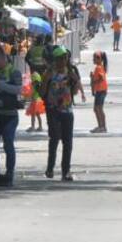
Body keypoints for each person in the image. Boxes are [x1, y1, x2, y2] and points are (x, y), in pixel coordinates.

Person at [39, 46, 84, 181]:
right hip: (53, 110)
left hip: (67, 110)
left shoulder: (71, 71)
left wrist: (75, 81)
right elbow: (41, 93)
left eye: (65, 58)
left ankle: (66, 171)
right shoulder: (49, 73)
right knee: (54, 139)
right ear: (55, 60)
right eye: (60, 58)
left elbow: (74, 92)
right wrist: (46, 81)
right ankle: (50, 168)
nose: (63, 61)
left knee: (68, 142)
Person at [0, 47, 22, 187]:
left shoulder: (14, 71)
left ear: (3, 57)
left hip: (10, 115)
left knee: (8, 144)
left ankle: (9, 174)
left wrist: (0, 85)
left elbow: (18, 89)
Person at [90, 51, 109, 133]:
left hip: (101, 90)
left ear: (99, 59)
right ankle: (101, 126)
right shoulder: (99, 67)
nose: (93, 59)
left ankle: (102, 126)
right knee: (97, 108)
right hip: (100, 90)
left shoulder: (98, 67)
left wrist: (94, 82)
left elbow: (101, 78)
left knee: (98, 108)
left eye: (94, 58)